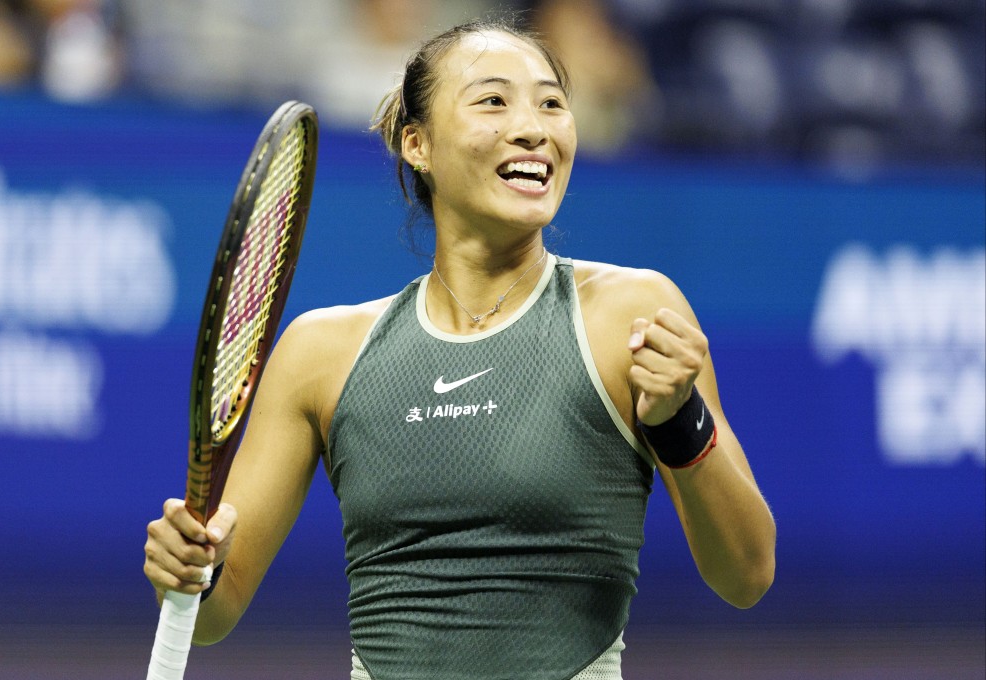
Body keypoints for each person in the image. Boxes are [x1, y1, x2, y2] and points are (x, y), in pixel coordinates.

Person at [144, 17, 776, 680]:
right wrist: (189, 572)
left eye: (553, 103)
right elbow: (217, 607)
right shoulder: (320, 353)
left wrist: (681, 423)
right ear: (417, 143)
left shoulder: (634, 315)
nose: (534, 127)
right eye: (494, 101)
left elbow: (747, 575)